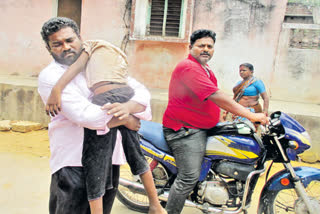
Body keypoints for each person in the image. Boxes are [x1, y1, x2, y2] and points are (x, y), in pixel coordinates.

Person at [38, 17, 164, 214]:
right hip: (73, 163)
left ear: (80, 38)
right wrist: (130, 119)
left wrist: (130, 109)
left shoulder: (100, 62)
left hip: (110, 159)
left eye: (70, 40)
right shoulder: (51, 77)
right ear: (49, 49)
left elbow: (142, 97)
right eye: (57, 44)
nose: (66, 47)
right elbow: (88, 118)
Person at [162, 29, 268, 214]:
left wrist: (227, 112)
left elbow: (212, 96)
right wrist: (252, 115)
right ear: (190, 47)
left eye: (209, 46)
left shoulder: (204, 68)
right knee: (188, 177)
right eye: (201, 45)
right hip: (185, 130)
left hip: (202, 126)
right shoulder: (188, 67)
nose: (206, 49)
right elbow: (216, 95)